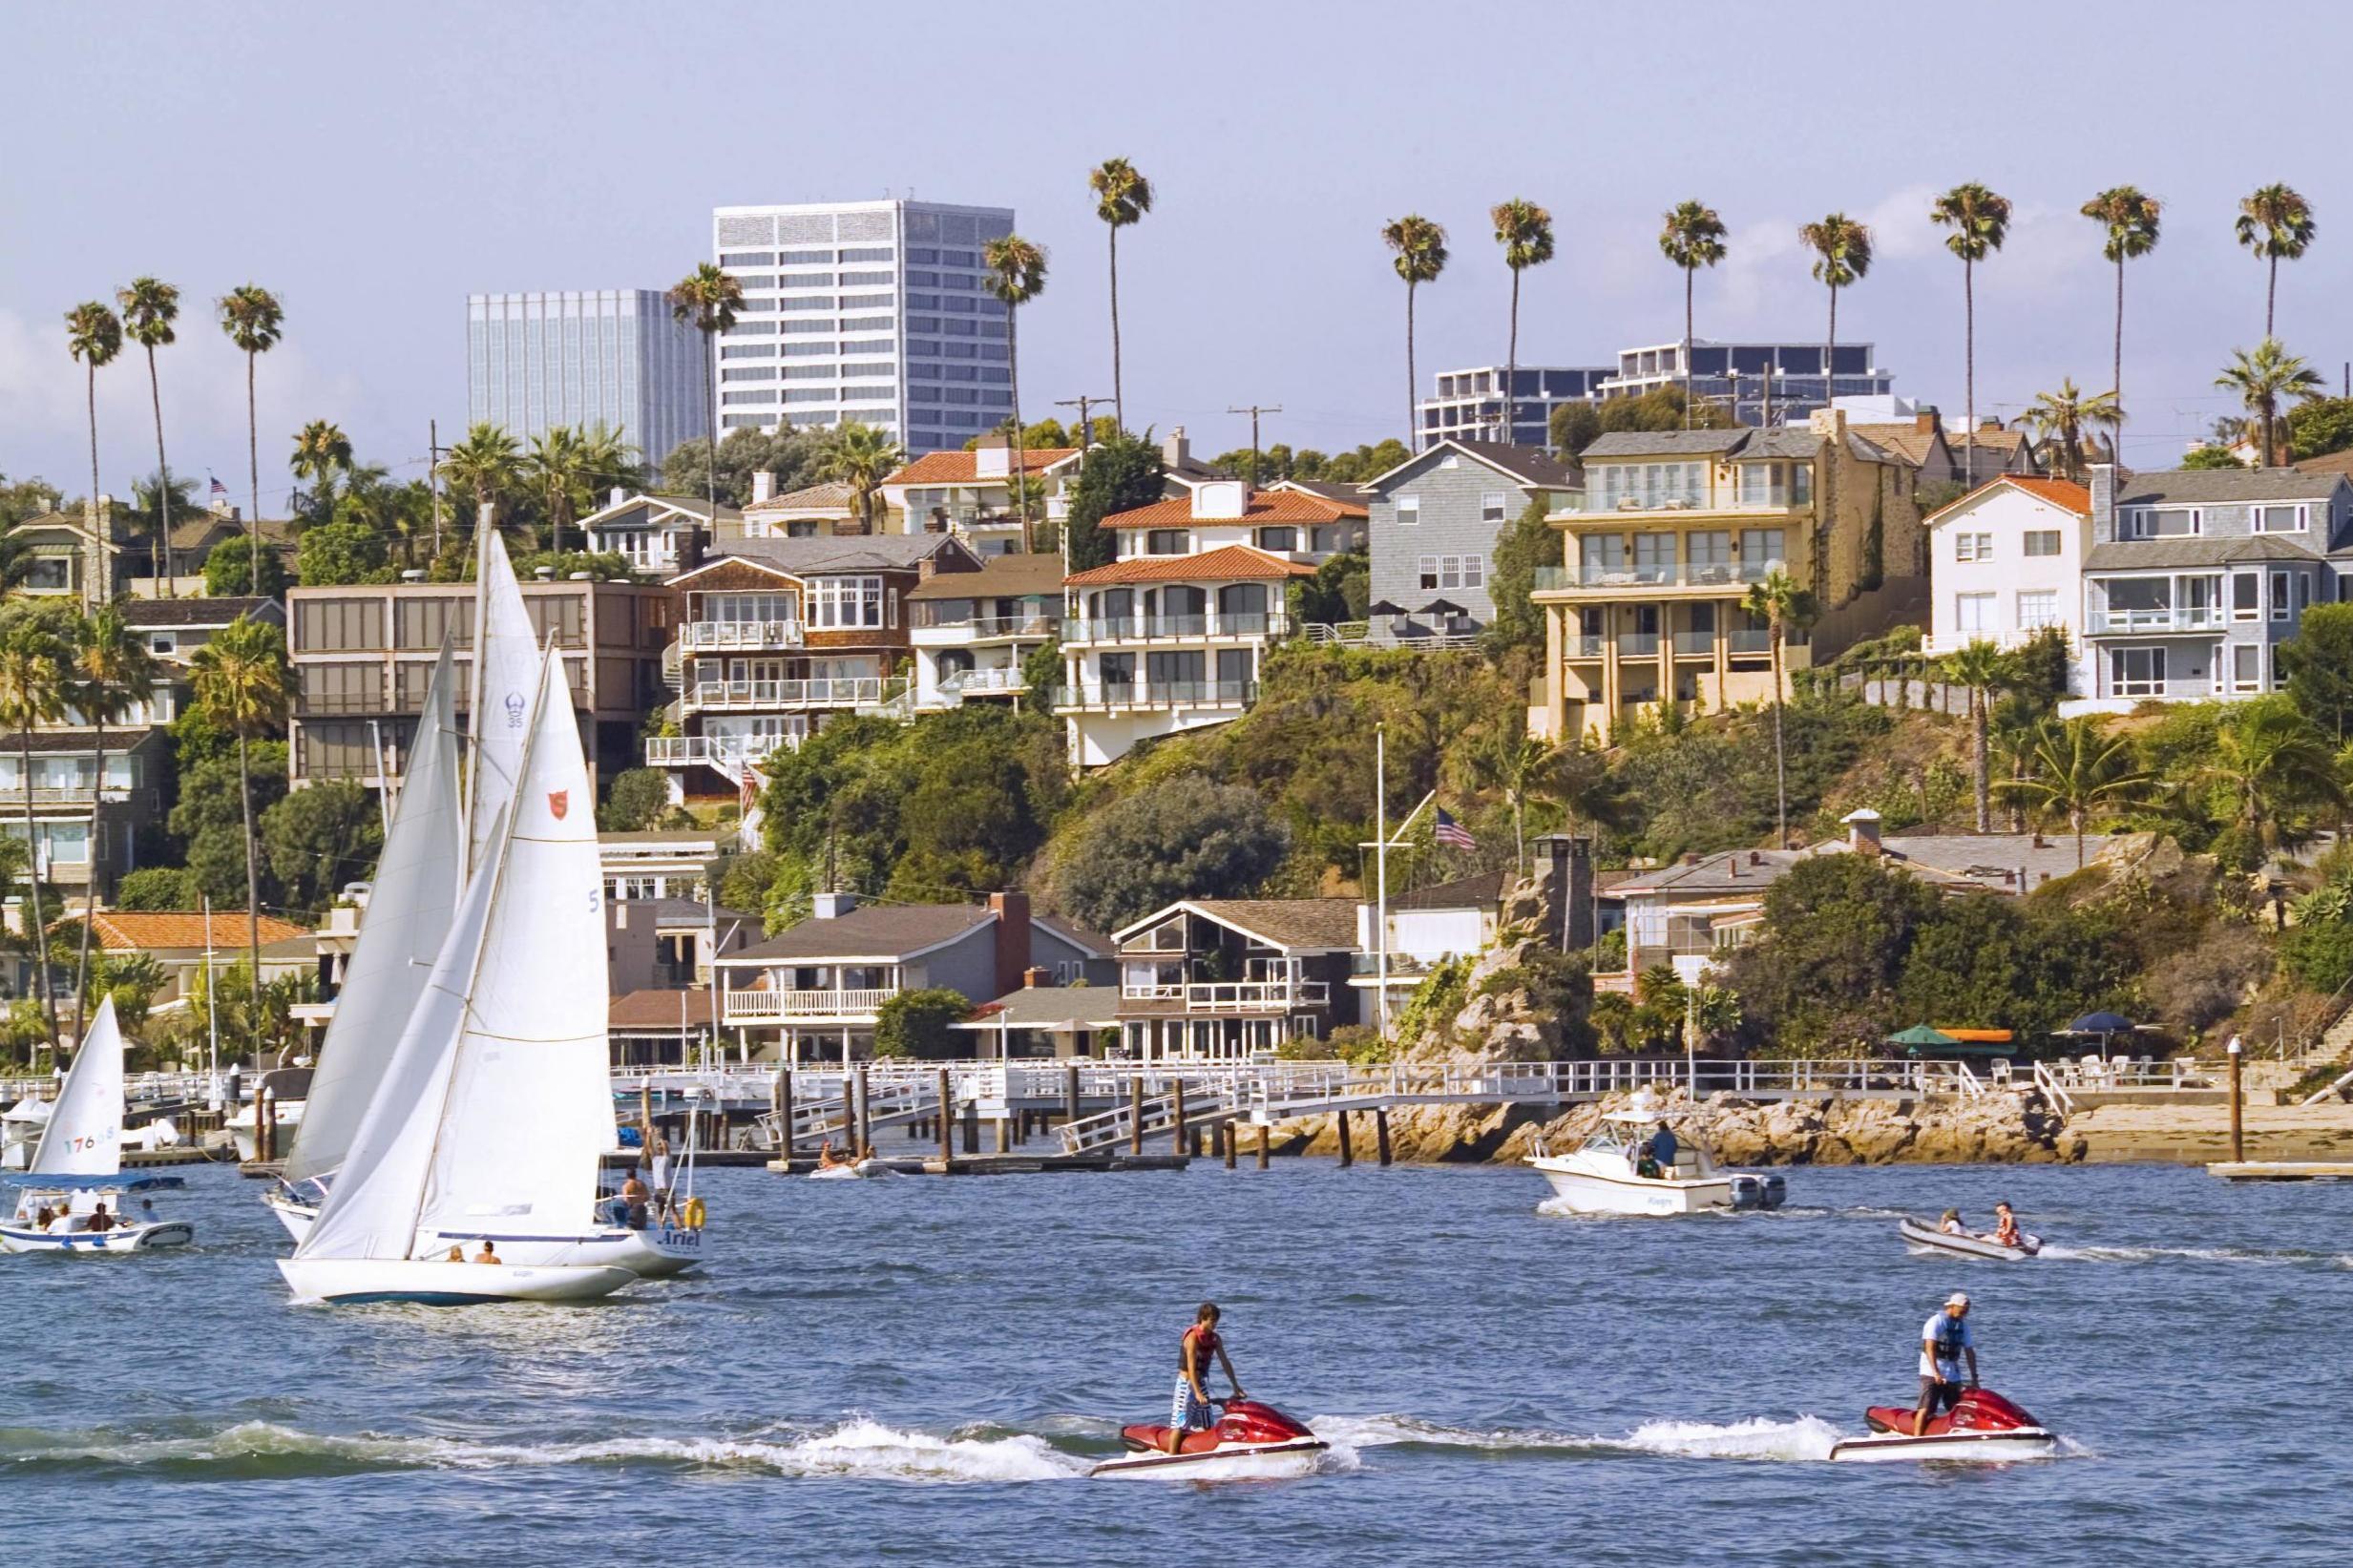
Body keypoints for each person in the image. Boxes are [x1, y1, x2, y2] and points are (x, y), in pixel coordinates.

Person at [1166, 1303, 1245, 1454]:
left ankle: (1205, 1453)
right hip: (1186, 1385)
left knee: (1208, 1423)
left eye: (1216, 1321)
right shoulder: (1192, 1337)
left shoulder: (1215, 1338)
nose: (1215, 1324)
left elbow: (1225, 1362)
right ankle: (1171, 1457)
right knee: (1180, 1423)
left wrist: (1235, 1386)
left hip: (1200, 1383)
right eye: (1212, 1320)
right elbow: (1190, 1366)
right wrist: (1196, 1392)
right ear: (1203, 1318)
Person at [1914, 1292, 1979, 1435]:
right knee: (1925, 1408)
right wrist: (1936, 1372)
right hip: (1931, 1371)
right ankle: (1915, 1439)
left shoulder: (1963, 1326)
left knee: (1957, 1409)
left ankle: (1957, 1436)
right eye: (1963, 1308)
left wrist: (1974, 1378)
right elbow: (1929, 1347)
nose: (1965, 1312)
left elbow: (1969, 1352)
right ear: (1952, 1306)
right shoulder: (1936, 1321)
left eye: (1967, 1309)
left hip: (1952, 1372)